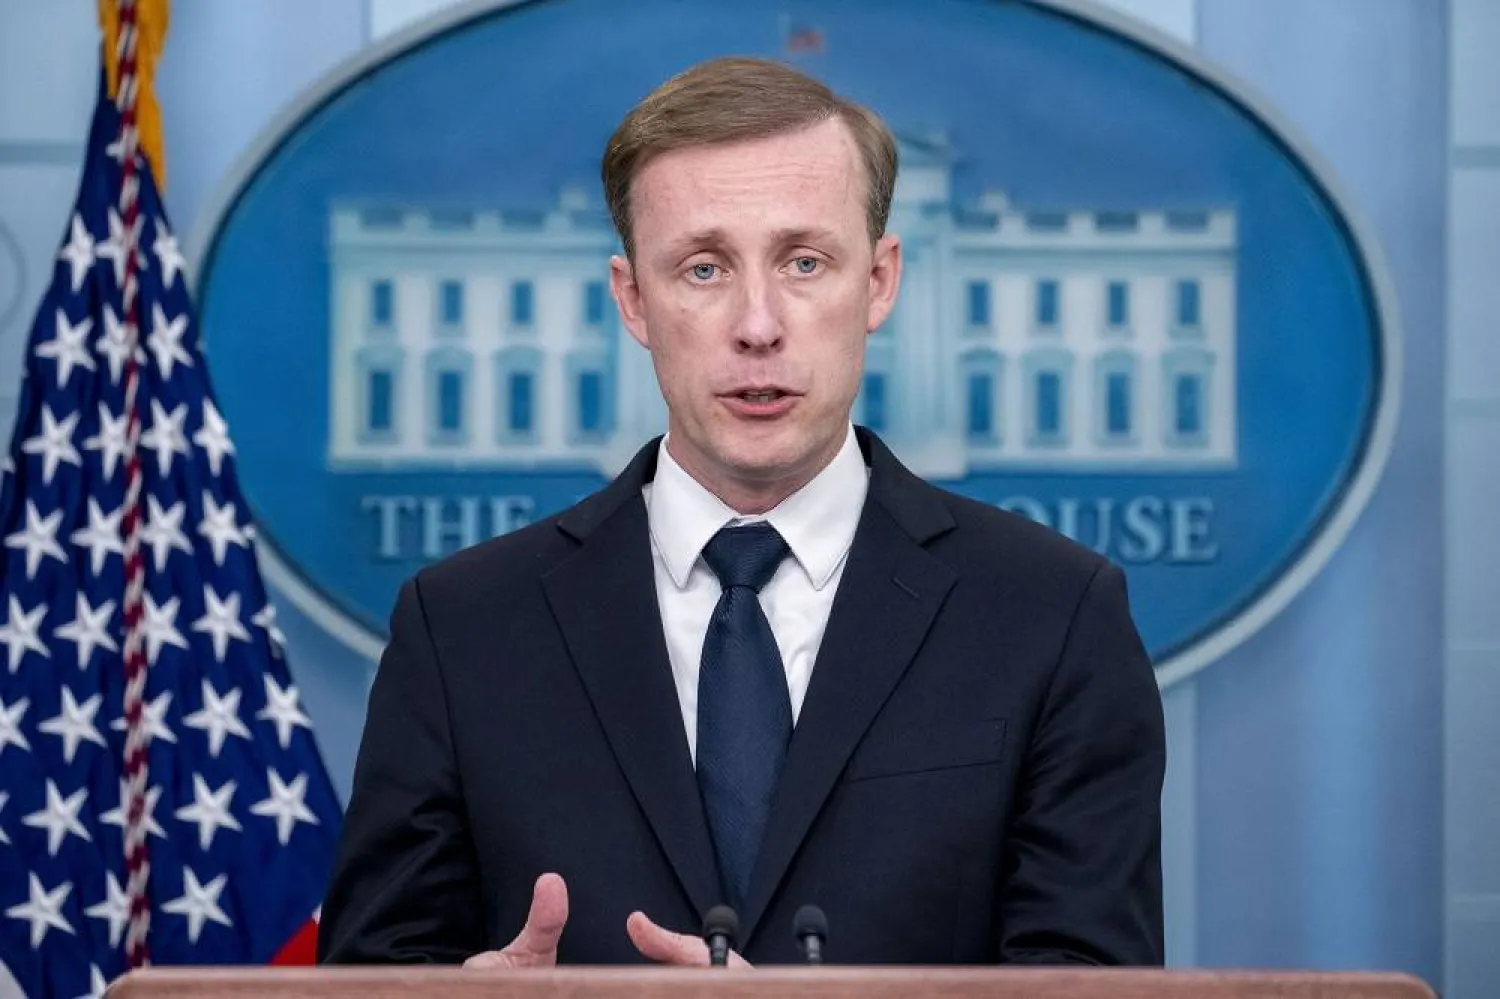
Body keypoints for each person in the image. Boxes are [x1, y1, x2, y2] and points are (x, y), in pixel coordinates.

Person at [317, 55, 1166, 968]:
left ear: (879, 281)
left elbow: (1091, 986)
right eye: (704, 267)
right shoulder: (463, 630)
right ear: (633, 298)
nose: (758, 323)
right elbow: (371, 976)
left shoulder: (1053, 615)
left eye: (804, 262)